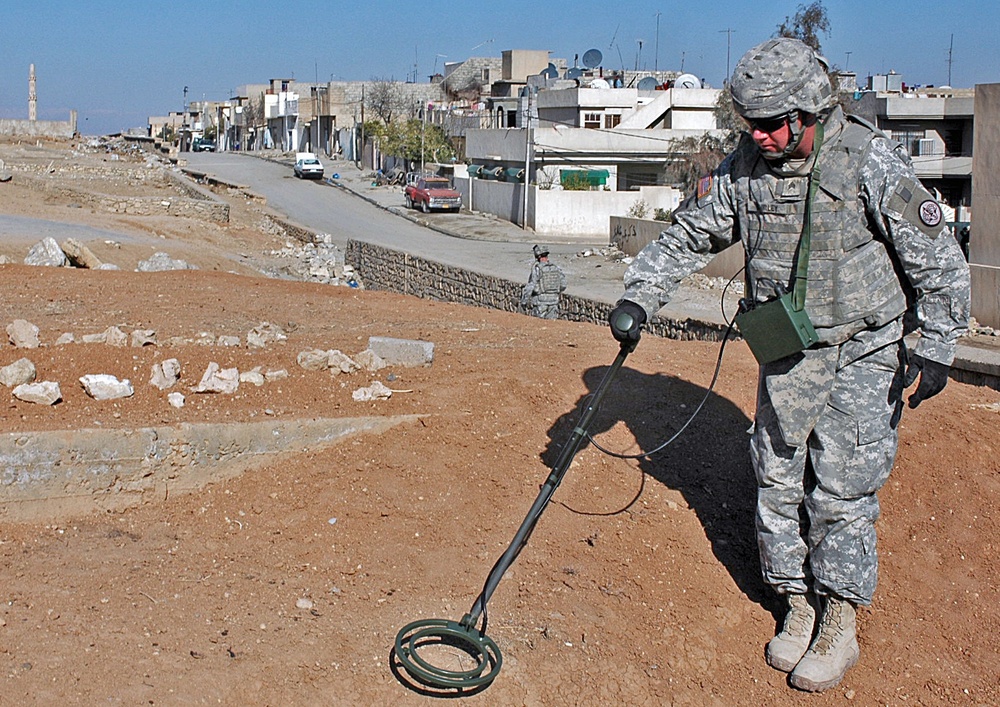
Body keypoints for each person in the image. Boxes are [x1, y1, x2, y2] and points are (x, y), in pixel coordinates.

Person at [608, 37, 971, 692]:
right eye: (754, 125)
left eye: (775, 124)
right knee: (775, 472)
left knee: (841, 483)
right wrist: (639, 293)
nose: (765, 137)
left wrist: (940, 341)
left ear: (808, 110)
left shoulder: (866, 161)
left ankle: (839, 616)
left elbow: (934, 252)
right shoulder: (745, 168)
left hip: (863, 345)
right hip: (788, 343)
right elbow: (691, 232)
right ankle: (795, 600)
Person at [521, 245, 567, 319]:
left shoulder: (537, 269)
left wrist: (524, 301)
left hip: (540, 303)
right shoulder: (556, 268)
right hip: (554, 301)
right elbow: (563, 285)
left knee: (538, 325)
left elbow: (531, 286)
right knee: (551, 326)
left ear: (538, 256)